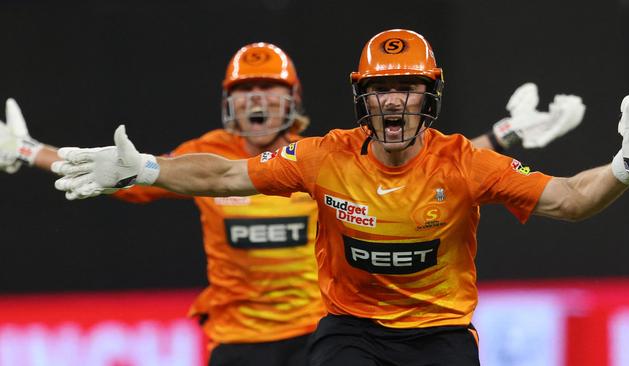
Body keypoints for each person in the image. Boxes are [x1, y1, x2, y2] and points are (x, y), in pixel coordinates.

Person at [4, 38, 587, 366]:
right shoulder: (207, 155)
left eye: (271, 91)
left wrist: (507, 138)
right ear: (230, 103)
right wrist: (32, 151)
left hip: (320, 333)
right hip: (240, 340)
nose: (258, 101)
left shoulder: (323, 155)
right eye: (246, 92)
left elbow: (430, 170)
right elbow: (129, 175)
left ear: (293, 100)